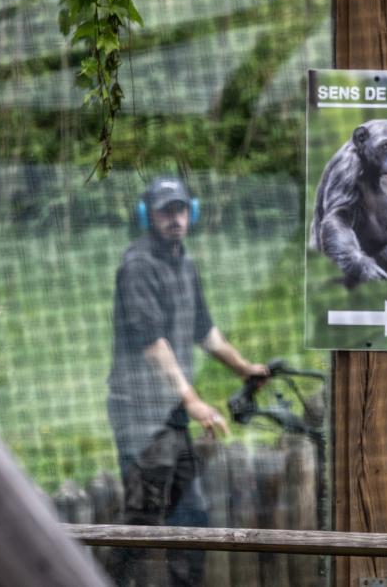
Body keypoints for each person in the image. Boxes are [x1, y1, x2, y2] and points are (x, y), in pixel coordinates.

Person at [106, 177, 269, 586]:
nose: (174, 218)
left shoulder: (185, 262)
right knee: (142, 521)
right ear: (148, 216)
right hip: (140, 412)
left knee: (191, 517)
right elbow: (151, 342)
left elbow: (206, 331)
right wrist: (192, 398)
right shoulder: (137, 266)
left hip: (170, 415)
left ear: (191, 212)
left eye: (180, 210)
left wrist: (244, 368)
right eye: (165, 211)